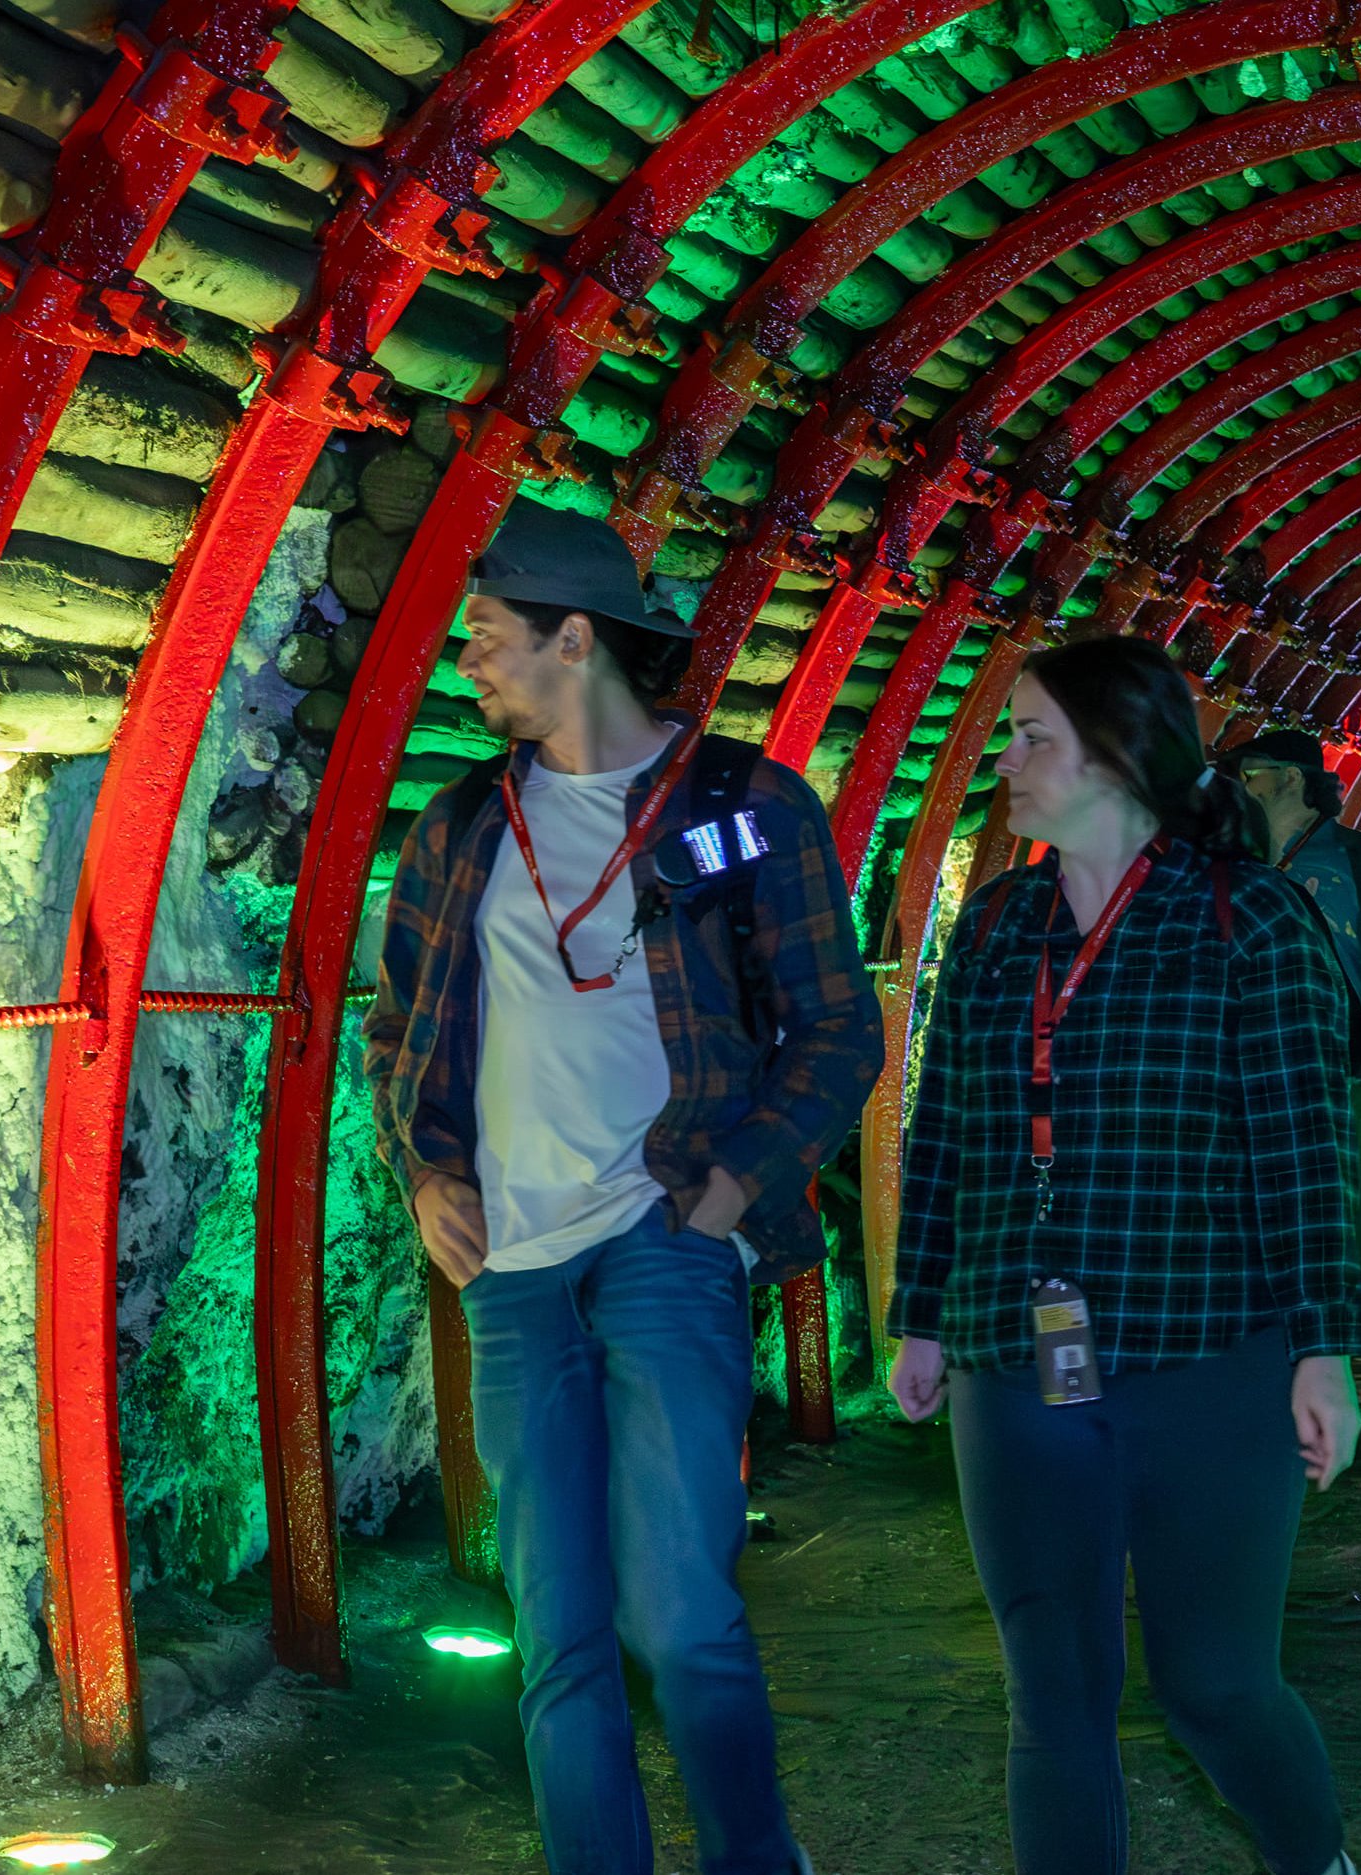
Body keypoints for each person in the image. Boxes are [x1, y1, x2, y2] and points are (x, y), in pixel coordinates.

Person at [364, 502, 880, 1875]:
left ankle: (756, 1857)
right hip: (514, 1268)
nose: (466, 662)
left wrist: (730, 1189)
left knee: (680, 1610)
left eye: (487, 637)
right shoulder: (463, 824)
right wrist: (426, 1173)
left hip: (664, 1234)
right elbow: (397, 1026)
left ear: (574, 638)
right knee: (559, 1629)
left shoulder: (742, 808)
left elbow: (839, 1030)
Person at [886, 638, 1361, 1875]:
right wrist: (921, 1311)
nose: (1005, 759)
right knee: (1051, 1698)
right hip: (1015, 1352)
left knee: (1213, 1686)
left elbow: (1307, 1152)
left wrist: (1325, 1351)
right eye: (1009, 735)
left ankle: (1315, 1860)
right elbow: (943, 1129)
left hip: (1202, 1354)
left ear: (1117, 754)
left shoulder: (1247, 922)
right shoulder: (998, 926)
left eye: (1032, 734)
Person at [1226, 728, 1361, 1232]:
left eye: (1249, 775)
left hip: (1342, 1071)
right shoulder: (1229, 859)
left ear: (1293, 778)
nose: (1238, 786)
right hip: (1243, 1068)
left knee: (1339, 1215)